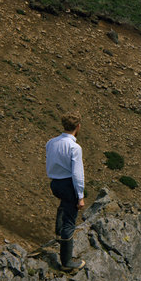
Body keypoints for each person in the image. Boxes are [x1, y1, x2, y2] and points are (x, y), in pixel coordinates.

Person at [45, 112, 86, 271]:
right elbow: (77, 174)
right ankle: (67, 262)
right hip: (68, 184)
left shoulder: (51, 142)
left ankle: (58, 233)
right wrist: (80, 196)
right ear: (78, 127)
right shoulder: (74, 147)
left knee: (64, 204)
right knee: (70, 220)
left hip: (55, 183)